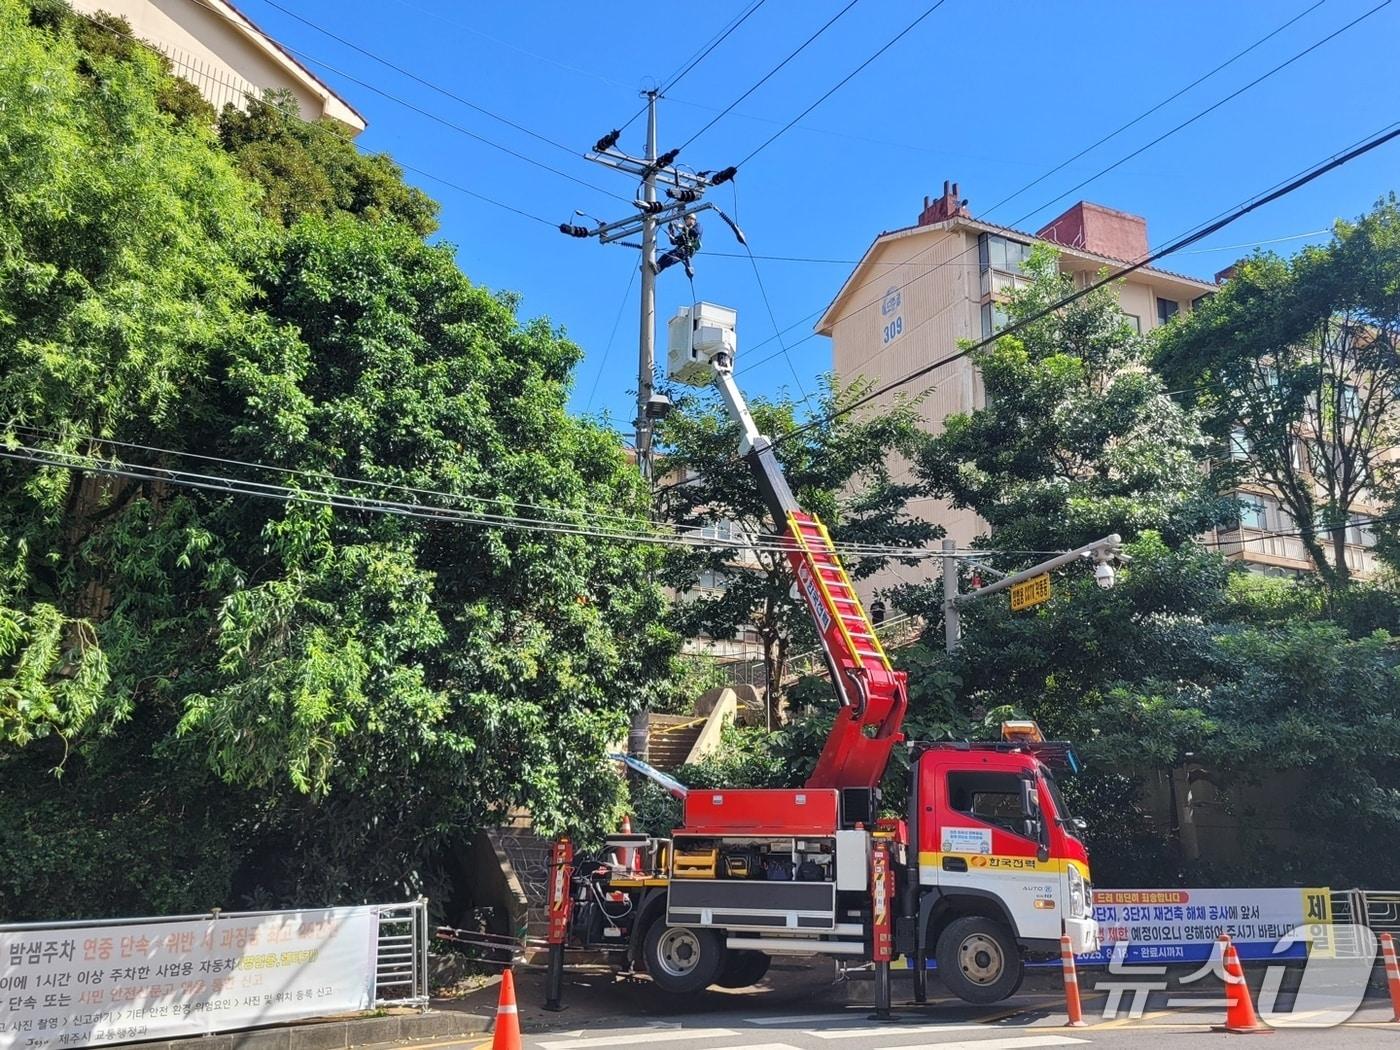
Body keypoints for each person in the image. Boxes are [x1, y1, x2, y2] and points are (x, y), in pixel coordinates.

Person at [653, 212, 702, 278]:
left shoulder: (697, 225)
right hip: (679, 248)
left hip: (687, 250)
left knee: (671, 258)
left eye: (686, 219)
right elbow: (674, 242)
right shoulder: (684, 233)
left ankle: (658, 268)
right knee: (665, 256)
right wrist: (671, 231)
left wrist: (683, 227)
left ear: (692, 219)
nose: (685, 221)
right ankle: (657, 267)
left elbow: (696, 232)